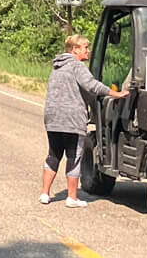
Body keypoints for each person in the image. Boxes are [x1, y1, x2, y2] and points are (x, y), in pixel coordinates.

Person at [41, 34, 129, 207]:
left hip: (52, 118)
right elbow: (92, 86)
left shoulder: (57, 67)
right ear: (75, 50)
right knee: (74, 157)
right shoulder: (77, 66)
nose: (88, 50)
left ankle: (45, 194)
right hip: (71, 119)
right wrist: (115, 94)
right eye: (85, 47)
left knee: (54, 154)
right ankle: (72, 198)